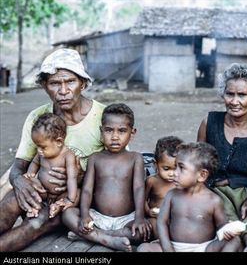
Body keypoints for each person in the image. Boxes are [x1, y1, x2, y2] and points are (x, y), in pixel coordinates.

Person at [0, 48, 105, 252]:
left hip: (78, 201)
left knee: (38, 220)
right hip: (42, 192)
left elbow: (121, 172)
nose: (63, 90)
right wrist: (21, 183)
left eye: (70, 82)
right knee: (12, 200)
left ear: (82, 83)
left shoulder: (104, 117)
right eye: (55, 83)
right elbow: (17, 167)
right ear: (44, 86)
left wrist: (79, 177)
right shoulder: (38, 117)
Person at [197, 63, 247, 251]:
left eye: (242, 95)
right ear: (223, 94)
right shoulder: (209, 122)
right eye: (229, 94)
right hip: (215, 193)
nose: (234, 101)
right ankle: (246, 242)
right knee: (226, 228)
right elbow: (197, 163)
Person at [62, 103, 151, 251]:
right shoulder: (95, 158)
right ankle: (109, 240)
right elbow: (87, 190)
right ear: (101, 131)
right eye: (109, 130)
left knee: (147, 229)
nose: (115, 137)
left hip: (126, 218)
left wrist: (139, 217)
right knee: (67, 214)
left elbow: (138, 188)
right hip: (97, 217)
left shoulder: (136, 158)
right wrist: (84, 215)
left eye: (122, 131)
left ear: (132, 133)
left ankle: (92, 235)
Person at [137, 142, 244, 252]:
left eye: (181, 168)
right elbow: (161, 222)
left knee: (234, 241)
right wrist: (167, 247)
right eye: (175, 167)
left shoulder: (213, 200)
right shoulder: (172, 195)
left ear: (202, 175)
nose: (175, 173)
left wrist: (228, 230)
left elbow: (221, 225)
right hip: (174, 246)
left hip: (205, 248)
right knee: (144, 248)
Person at [23, 113, 79, 219]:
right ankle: (34, 207)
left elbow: (72, 178)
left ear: (59, 141)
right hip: (42, 191)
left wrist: (70, 199)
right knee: (29, 183)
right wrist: (31, 174)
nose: (39, 151)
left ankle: (57, 206)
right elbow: (34, 163)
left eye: (43, 147)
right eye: (37, 146)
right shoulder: (41, 154)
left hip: (61, 193)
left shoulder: (68, 155)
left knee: (78, 194)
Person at [144, 136, 183, 239]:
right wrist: (148, 211)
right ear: (155, 164)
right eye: (166, 169)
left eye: (176, 168)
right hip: (155, 217)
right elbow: (142, 200)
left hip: (174, 218)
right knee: (156, 227)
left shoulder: (182, 183)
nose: (172, 174)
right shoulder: (152, 181)